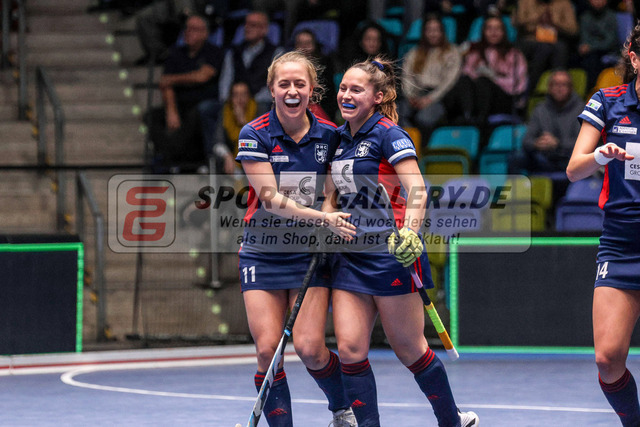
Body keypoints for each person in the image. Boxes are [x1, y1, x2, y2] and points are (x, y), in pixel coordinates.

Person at [327, 56, 479, 427]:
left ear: (377, 97)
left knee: (410, 349)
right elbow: (331, 195)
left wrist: (410, 231)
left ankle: (451, 420)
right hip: (350, 256)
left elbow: (417, 190)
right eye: (343, 88)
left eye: (356, 89)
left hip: (390, 253)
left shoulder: (389, 134)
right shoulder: (338, 138)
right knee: (350, 349)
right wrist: (328, 217)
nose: (346, 95)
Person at [235, 51, 357, 427]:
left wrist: (329, 209)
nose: (292, 90)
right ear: (272, 89)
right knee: (267, 351)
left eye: (299, 84)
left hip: (309, 253)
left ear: (312, 89)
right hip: (262, 251)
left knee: (310, 348)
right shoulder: (254, 133)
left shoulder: (331, 135)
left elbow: (334, 190)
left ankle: (342, 409)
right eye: (284, 84)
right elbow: (270, 199)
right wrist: (323, 217)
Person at [566, 23, 640, 427]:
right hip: (621, 243)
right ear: (634, 58)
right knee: (608, 360)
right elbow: (574, 169)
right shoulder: (607, 101)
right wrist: (601, 154)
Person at [149, 15, 223, 171]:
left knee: (199, 112)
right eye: (187, 28)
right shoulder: (176, 53)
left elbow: (202, 76)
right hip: (179, 103)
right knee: (151, 116)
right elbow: (165, 84)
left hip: (203, 102)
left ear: (205, 33)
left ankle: (169, 158)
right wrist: (171, 110)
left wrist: (174, 79)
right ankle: (169, 157)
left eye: (194, 29)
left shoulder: (213, 52)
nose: (188, 32)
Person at [399, 14, 463, 143]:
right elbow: (407, 77)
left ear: (442, 32)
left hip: (439, 97)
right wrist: (411, 96)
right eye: (429, 30)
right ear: (424, 32)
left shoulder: (452, 52)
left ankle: (422, 149)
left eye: (436, 30)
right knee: (396, 112)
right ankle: (407, 145)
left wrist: (430, 99)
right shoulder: (414, 53)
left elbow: (449, 82)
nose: (433, 34)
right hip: (415, 95)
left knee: (425, 118)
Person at [509, 69, 583, 176]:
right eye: (555, 84)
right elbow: (526, 140)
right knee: (516, 157)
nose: (559, 89)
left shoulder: (581, 109)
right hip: (544, 157)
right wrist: (537, 143)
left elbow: (583, 143)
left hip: (568, 158)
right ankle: (513, 187)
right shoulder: (540, 109)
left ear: (571, 88)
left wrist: (557, 143)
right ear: (549, 87)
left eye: (563, 85)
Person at [458, 15, 528, 125]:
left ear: (503, 32)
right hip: (479, 97)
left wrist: (495, 78)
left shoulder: (514, 54)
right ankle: (467, 117)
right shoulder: (476, 53)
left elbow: (518, 84)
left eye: (497, 28)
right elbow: (467, 73)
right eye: (489, 28)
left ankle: (481, 122)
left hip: (505, 98)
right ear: (484, 32)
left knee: (484, 82)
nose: (493, 32)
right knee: (465, 80)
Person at [219, 11, 284, 114]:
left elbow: (276, 84)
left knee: (262, 107)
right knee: (208, 108)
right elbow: (226, 78)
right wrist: (227, 99)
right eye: (246, 24)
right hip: (235, 99)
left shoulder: (276, 52)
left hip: (261, 100)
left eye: (253, 25)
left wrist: (251, 101)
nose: (247, 28)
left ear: (264, 29)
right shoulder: (233, 52)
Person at [513, 0, 578, 94]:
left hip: (555, 39)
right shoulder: (525, 1)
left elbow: (573, 29)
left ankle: (560, 89)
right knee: (543, 48)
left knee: (560, 48)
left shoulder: (564, 3)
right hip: (530, 39)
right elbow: (518, 21)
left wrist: (555, 23)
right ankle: (527, 90)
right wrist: (538, 15)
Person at [293, 29, 338, 120]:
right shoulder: (288, 65)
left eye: (307, 43)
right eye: (300, 43)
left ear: (314, 45)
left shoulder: (324, 64)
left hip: (320, 107)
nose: (304, 47)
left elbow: (328, 94)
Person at [578, 0, 619, 90]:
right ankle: (587, 91)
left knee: (593, 61)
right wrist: (586, 47)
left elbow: (610, 41)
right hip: (589, 52)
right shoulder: (585, 17)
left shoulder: (611, 17)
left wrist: (591, 46)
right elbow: (584, 38)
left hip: (608, 51)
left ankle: (595, 90)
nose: (597, 2)